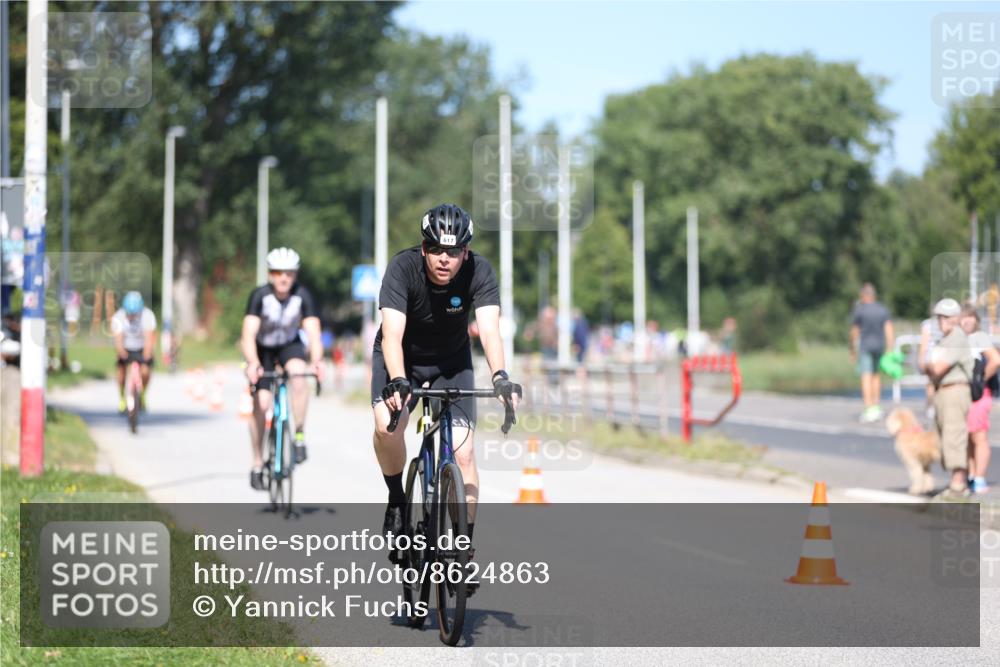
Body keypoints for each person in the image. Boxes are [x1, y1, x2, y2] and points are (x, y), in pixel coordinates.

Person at [371, 204, 520, 560]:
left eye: (453, 252)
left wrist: (500, 376)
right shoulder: (402, 268)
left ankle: (463, 546)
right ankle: (396, 500)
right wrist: (398, 381)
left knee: (465, 453)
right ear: (423, 249)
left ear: (465, 252)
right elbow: (391, 335)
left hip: (451, 363)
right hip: (401, 360)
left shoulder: (479, 271)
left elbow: (489, 330)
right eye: (435, 249)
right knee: (388, 426)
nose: (443, 259)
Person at [241, 247, 324, 491]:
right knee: (262, 403)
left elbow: (314, 335)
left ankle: (298, 435)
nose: (283, 278)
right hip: (263, 349)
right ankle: (257, 462)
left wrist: (317, 362)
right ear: (270, 274)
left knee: (299, 375)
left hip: (290, 345)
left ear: (295, 275)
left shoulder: (302, 296)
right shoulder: (260, 296)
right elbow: (248, 335)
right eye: (278, 273)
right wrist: (253, 363)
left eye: (288, 273)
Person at [925, 298, 973, 497]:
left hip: (955, 389)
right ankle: (955, 481)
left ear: (954, 318)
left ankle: (958, 484)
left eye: (945, 317)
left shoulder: (956, 337)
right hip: (944, 390)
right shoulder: (945, 340)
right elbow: (927, 367)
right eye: (939, 317)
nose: (941, 321)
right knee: (945, 436)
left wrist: (929, 367)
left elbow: (936, 367)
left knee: (954, 435)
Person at [960, 304, 999, 494]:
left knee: (979, 436)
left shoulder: (978, 338)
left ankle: (980, 478)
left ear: (976, 320)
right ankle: (971, 475)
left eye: (970, 317)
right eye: (963, 317)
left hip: (978, 395)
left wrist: (980, 380)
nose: (966, 320)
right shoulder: (959, 339)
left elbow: (996, 360)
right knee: (967, 437)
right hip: (963, 395)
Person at [849, 283, 894, 423]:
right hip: (879, 346)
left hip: (865, 347)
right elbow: (889, 330)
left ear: (863, 295)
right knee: (876, 376)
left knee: (866, 376)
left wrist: (852, 349)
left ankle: (868, 408)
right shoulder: (882, 310)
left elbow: (854, 332)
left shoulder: (860, 310)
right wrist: (890, 348)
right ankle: (876, 406)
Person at [111, 291, 157, 412]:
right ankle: (122, 398)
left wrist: (147, 353)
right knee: (121, 371)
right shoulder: (118, 316)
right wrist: (122, 352)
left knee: (146, 372)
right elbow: (118, 339)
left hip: (141, 347)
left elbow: (149, 338)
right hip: (126, 346)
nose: (132, 316)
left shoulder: (148, 316)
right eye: (129, 313)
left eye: (135, 314)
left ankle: (142, 396)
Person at [917, 308, 944, 424]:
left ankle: (931, 407)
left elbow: (924, 343)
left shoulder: (927, 324)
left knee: (930, 385)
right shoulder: (947, 324)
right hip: (942, 356)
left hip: (931, 356)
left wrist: (921, 358)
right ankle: (938, 407)